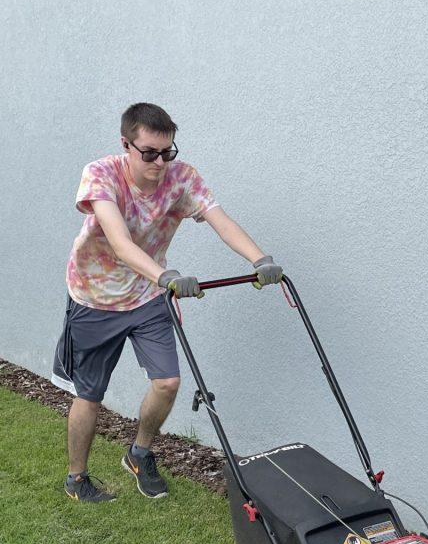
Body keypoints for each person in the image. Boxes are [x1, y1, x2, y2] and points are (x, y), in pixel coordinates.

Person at [52, 102, 283, 503]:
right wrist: (166, 275)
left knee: (168, 382)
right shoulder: (101, 174)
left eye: (167, 151)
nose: (160, 162)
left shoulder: (182, 178)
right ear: (126, 144)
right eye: (150, 153)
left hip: (147, 296)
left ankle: (139, 453)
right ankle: (77, 478)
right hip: (94, 297)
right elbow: (120, 243)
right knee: (90, 395)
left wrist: (260, 259)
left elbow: (219, 219)